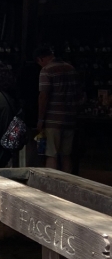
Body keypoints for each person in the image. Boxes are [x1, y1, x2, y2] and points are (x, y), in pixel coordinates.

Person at [35, 44, 81, 172]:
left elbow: (43, 96)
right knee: (66, 155)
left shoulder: (46, 70)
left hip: (53, 120)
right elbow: (79, 94)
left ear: (40, 59)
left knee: (51, 154)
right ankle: (68, 185)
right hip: (70, 119)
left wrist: (40, 120)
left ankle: (51, 186)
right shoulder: (71, 68)